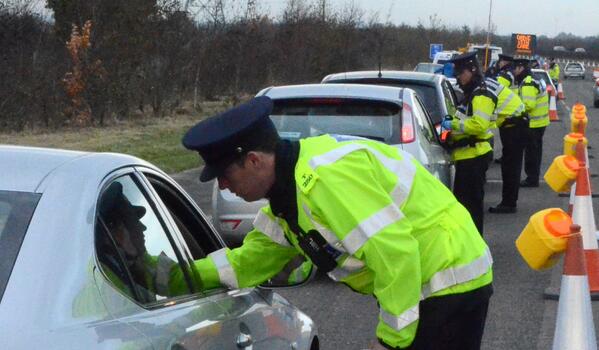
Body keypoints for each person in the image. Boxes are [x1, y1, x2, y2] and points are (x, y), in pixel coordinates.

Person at [182, 96, 493, 350]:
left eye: (225, 174)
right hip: (427, 284)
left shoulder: (325, 181)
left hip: (449, 281)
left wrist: (390, 342)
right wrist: (174, 276)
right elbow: (249, 262)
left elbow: (396, 254)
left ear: (253, 161)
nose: (223, 185)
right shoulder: (286, 199)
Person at [441, 52, 496, 234]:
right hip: (467, 156)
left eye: (460, 72)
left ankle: (475, 246)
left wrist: (453, 124)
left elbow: (479, 125)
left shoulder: (481, 94)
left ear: (472, 70)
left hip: (474, 156)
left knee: (471, 208)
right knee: (465, 206)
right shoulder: (471, 93)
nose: (458, 76)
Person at [485, 77, 528, 213]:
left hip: (514, 125)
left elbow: (483, 118)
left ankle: (508, 203)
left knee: (510, 167)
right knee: (511, 166)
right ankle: (509, 202)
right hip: (515, 123)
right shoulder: (487, 84)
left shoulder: (481, 91)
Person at [513, 58, 550, 187]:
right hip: (541, 122)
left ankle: (531, 179)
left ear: (521, 68)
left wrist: (514, 109)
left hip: (533, 123)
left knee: (531, 153)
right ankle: (533, 177)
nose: (514, 71)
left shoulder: (528, 83)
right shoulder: (536, 78)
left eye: (516, 68)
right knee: (536, 152)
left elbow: (528, 104)